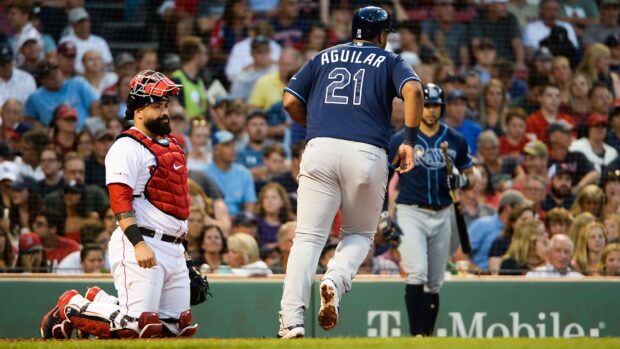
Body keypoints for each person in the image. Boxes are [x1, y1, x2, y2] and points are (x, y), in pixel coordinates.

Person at [277, 6, 422, 339]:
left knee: (308, 238)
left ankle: (291, 321)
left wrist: (314, 125)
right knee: (359, 234)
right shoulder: (390, 60)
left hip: (319, 148)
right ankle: (335, 278)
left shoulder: (323, 56)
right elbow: (413, 91)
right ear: (382, 35)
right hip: (365, 152)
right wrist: (409, 142)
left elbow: (289, 100)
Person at [40, 70, 198, 339]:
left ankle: (98, 300)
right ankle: (71, 307)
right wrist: (138, 243)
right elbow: (120, 202)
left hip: (173, 248)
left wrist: (184, 253)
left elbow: (176, 205)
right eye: (157, 106)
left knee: (176, 329)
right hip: (141, 242)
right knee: (137, 326)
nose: (164, 112)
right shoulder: (127, 146)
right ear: (138, 110)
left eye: (165, 106)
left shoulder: (171, 144)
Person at [388, 83, 474, 336]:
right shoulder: (399, 139)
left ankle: (427, 336)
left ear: (442, 108)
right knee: (416, 272)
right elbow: (384, 178)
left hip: (443, 212)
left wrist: (462, 180)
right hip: (410, 211)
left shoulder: (455, 138)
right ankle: (415, 334)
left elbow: (472, 175)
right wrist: (384, 213)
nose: (431, 111)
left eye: (435, 105)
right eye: (426, 105)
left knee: (435, 282)